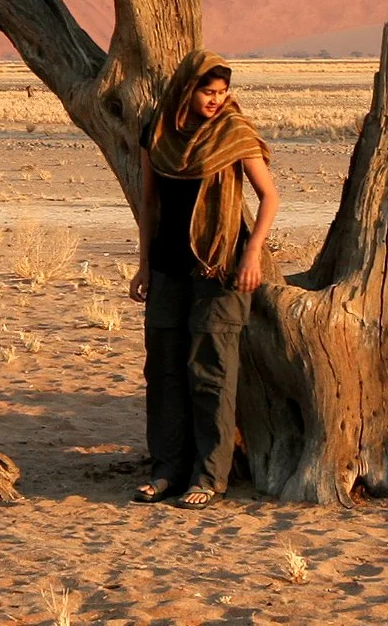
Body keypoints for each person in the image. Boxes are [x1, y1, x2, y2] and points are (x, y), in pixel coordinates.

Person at [127, 51, 279, 509]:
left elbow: (269, 195)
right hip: (169, 267)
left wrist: (251, 253)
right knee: (164, 371)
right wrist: (143, 263)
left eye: (222, 92)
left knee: (210, 372)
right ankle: (168, 469)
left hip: (220, 268)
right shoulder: (159, 133)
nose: (216, 100)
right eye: (207, 92)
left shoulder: (233, 132)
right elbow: (150, 203)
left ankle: (209, 476)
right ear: (186, 90)